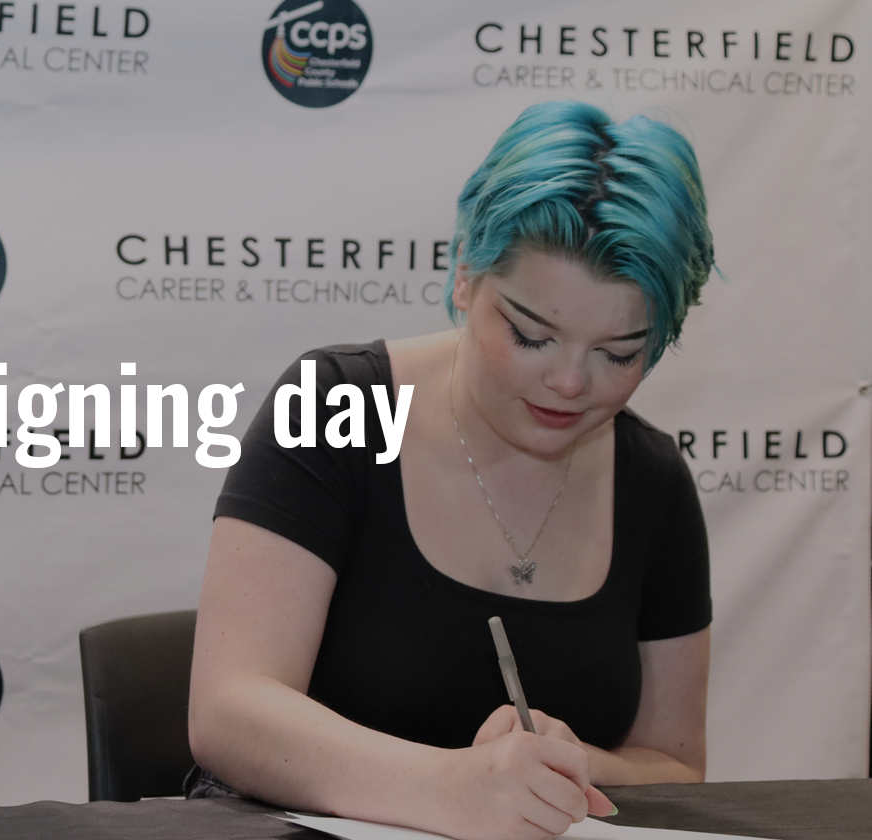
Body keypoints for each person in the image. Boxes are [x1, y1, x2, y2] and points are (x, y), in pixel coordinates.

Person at [187, 101, 715, 840]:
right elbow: (228, 711)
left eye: (619, 354)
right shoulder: (338, 404)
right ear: (466, 275)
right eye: (532, 335)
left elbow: (674, 764)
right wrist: (447, 788)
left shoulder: (653, 481)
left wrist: (576, 762)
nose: (569, 381)